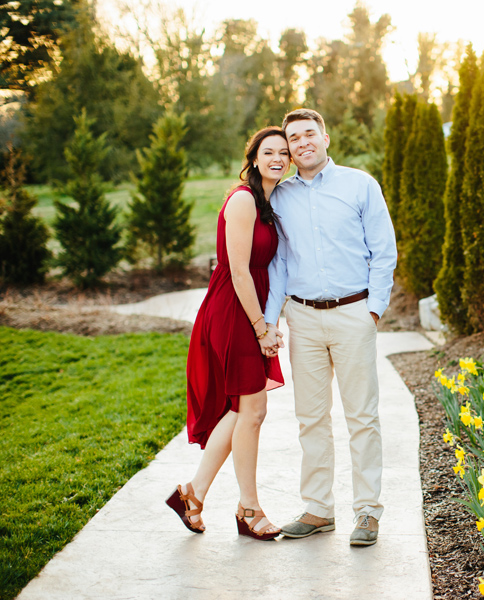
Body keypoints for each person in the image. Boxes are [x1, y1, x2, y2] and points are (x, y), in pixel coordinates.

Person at [263, 108, 397, 546]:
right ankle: (319, 509)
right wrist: (270, 319)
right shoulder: (280, 198)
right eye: (293, 139)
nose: (301, 143)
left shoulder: (360, 184)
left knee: (362, 416)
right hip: (302, 317)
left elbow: (384, 250)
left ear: (324, 136)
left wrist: (373, 310)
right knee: (310, 418)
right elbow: (280, 263)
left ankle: (367, 513)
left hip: (353, 314)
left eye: (308, 134)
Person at [166, 126, 288, 541]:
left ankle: (193, 495)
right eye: (268, 151)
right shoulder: (243, 200)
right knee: (251, 412)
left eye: (283, 153)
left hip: (249, 307)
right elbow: (238, 269)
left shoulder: (267, 203)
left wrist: (270, 321)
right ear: (253, 158)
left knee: (242, 411)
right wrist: (260, 328)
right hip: (234, 310)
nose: (278, 158)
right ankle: (248, 509)